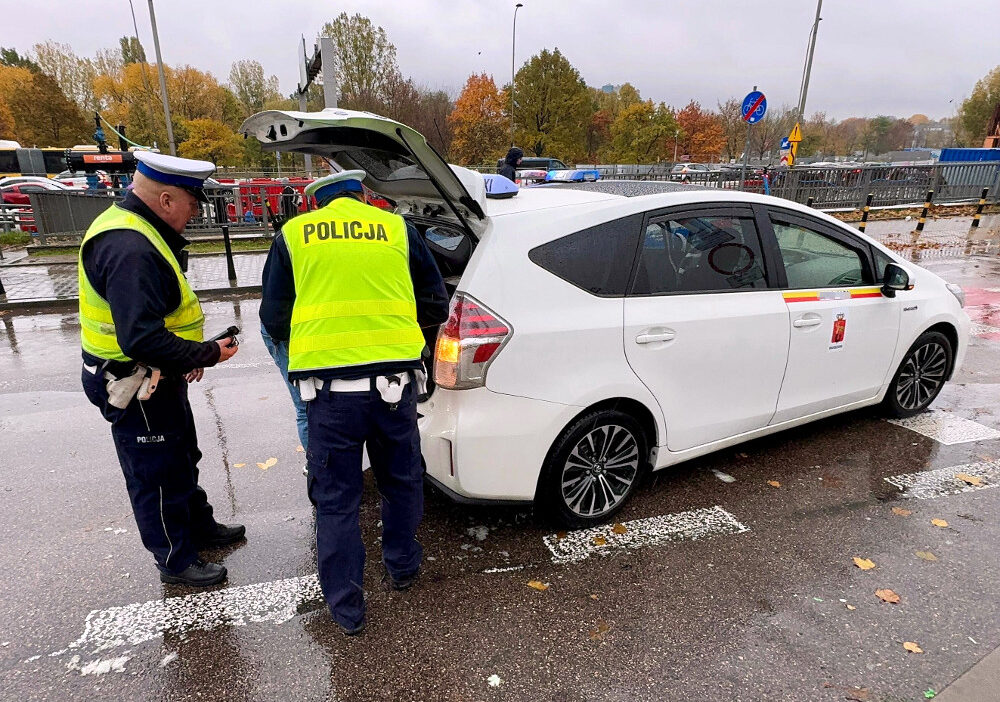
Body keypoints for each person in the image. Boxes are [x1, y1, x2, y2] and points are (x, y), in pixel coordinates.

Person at [260, 170, 448, 635]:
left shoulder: (294, 235)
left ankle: (347, 609)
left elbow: (273, 317)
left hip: (330, 397)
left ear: (316, 204)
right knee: (401, 482)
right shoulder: (398, 229)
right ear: (364, 195)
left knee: (337, 502)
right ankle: (402, 568)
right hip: (394, 389)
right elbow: (435, 303)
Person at [79, 151, 244, 587]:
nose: (195, 212)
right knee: (156, 474)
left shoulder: (139, 230)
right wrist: (204, 354)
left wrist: (189, 355)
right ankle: (174, 559)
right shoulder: (129, 247)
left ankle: (197, 527)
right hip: (133, 383)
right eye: (193, 203)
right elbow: (141, 338)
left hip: (155, 376)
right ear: (167, 199)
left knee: (181, 456)